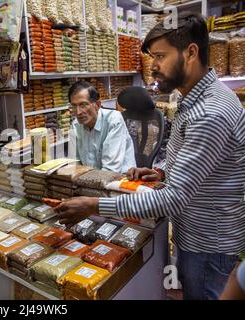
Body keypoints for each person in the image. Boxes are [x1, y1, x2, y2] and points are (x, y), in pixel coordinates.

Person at [56, 12, 245, 300]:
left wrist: (95, 206)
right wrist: (163, 172)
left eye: (160, 56)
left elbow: (173, 199)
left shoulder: (209, 113)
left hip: (208, 244)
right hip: (201, 234)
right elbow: (205, 162)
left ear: (191, 53)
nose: (153, 66)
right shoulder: (198, 96)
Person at [69, 81, 136, 173]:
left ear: (97, 105)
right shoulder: (75, 126)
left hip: (120, 179)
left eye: (83, 105)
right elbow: (74, 163)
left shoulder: (113, 120)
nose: (78, 112)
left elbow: (110, 170)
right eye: (74, 106)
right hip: (90, 179)